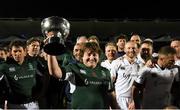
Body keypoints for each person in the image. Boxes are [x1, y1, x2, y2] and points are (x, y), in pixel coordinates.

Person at [47, 42, 119, 109]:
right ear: (82, 56)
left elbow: (111, 95)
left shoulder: (105, 71)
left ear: (99, 56)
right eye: (89, 54)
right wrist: (51, 50)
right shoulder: (74, 68)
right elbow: (55, 72)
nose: (91, 58)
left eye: (94, 55)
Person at [0, 40, 46, 109]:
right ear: (11, 52)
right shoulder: (4, 66)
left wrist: (41, 93)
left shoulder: (34, 63)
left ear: (25, 51)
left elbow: (46, 76)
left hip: (32, 104)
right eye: (15, 51)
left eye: (20, 51)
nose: (17, 54)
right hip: (14, 104)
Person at [110, 41, 142, 110]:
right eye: (129, 48)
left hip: (134, 100)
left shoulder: (141, 65)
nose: (131, 50)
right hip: (119, 99)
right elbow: (110, 82)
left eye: (133, 48)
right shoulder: (117, 62)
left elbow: (141, 85)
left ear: (137, 50)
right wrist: (113, 100)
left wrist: (134, 101)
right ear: (124, 49)